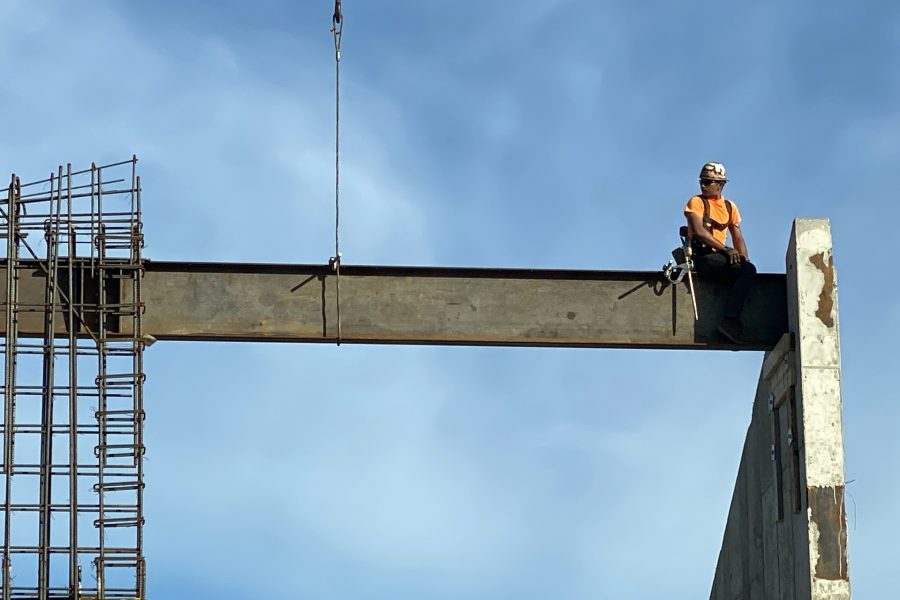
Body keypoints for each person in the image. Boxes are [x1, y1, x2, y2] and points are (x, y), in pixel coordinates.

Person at [683, 162, 757, 343]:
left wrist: (744, 261)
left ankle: (731, 318)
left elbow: (738, 237)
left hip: (721, 258)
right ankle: (729, 322)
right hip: (703, 258)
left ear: (720, 185)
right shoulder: (697, 202)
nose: (703, 185)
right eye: (702, 181)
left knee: (748, 270)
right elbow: (699, 232)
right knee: (745, 271)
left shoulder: (730, 207)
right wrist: (726, 249)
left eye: (708, 182)